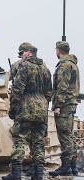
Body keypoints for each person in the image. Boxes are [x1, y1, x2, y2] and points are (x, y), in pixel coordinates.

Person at [2, 45, 52, 180]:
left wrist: (13, 109)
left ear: (28, 53)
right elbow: (49, 93)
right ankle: (39, 173)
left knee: (19, 139)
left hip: (26, 107)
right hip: (42, 109)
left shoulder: (24, 66)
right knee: (38, 142)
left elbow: (17, 89)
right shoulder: (46, 69)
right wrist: (42, 104)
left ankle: (16, 173)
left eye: (22, 53)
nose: (21, 56)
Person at [49, 41, 80, 177]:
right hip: (71, 103)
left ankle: (66, 166)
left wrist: (58, 105)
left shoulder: (64, 66)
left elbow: (62, 87)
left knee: (64, 135)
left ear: (58, 50)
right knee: (69, 135)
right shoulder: (73, 64)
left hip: (65, 104)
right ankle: (73, 166)